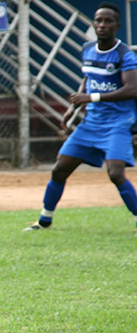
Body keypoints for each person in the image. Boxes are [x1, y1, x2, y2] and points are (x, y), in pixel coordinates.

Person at [24, 2, 137, 233]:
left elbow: (132, 89)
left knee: (115, 173)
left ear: (117, 25)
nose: (102, 25)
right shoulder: (87, 49)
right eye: (98, 20)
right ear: (93, 23)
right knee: (59, 169)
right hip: (91, 123)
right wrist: (72, 109)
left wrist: (92, 98)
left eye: (107, 21)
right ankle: (44, 221)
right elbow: (87, 79)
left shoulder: (124, 54)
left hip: (118, 123)